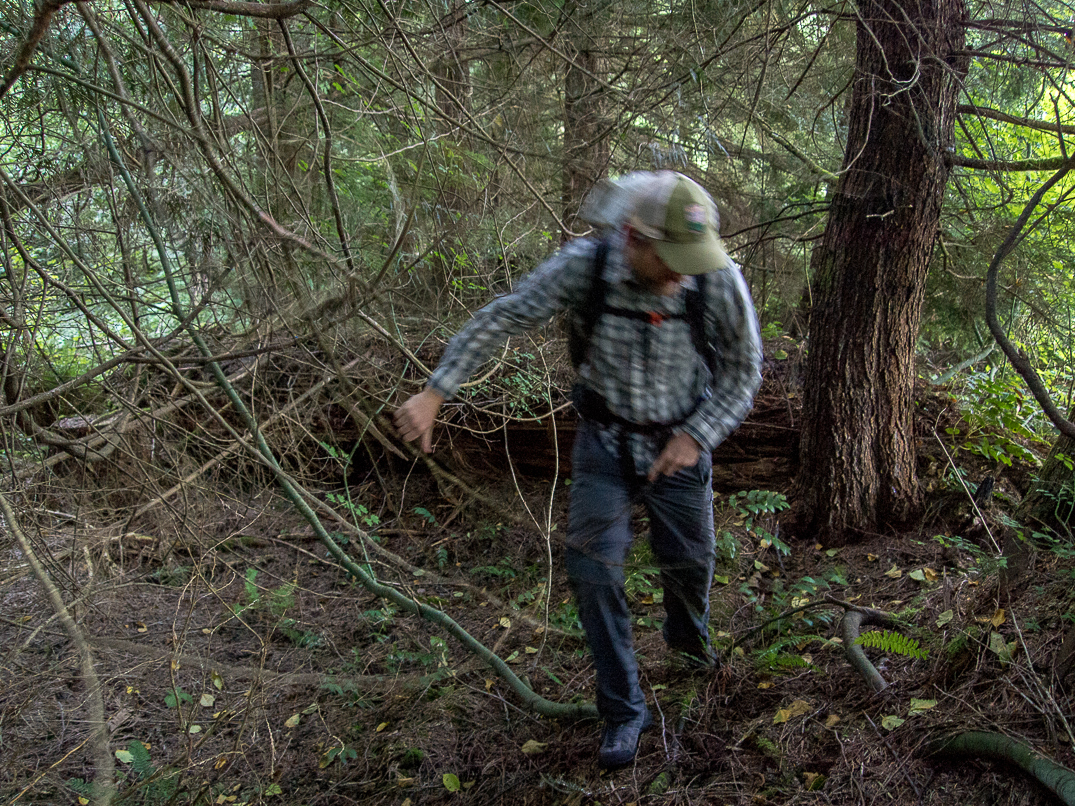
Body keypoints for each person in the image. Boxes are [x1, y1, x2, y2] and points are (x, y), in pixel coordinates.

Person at [393, 171, 762, 768]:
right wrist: (437, 391)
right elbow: (506, 316)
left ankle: (687, 640)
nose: (682, 274)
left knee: (690, 562)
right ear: (633, 238)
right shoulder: (584, 269)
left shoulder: (715, 279)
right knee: (592, 571)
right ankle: (623, 709)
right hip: (605, 444)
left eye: (691, 259)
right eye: (671, 259)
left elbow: (744, 370)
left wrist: (697, 436)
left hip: (681, 442)